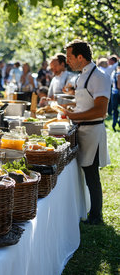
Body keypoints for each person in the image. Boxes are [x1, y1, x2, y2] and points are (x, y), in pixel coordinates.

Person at [63, 40, 111, 225]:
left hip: (93, 132)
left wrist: (73, 115)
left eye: (69, 57)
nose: (68, 61)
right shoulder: (82, 75)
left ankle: (96, 216)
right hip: (82, 129)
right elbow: (87, 102)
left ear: (80, 57)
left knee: (92, 175)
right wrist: (72, 107)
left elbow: (100, 110)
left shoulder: (99, 76)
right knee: (86, 173)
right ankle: (88, 210)